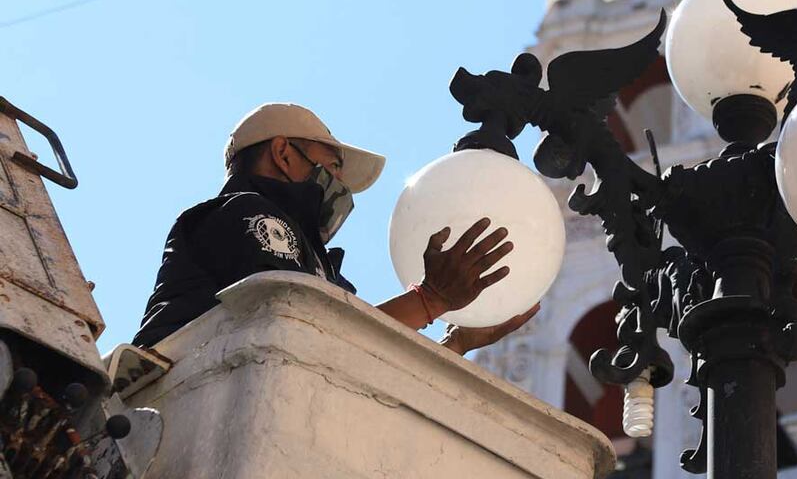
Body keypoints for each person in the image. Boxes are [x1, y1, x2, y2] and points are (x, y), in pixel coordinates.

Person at [133, 102, 537, 355]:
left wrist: (457, 342)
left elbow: (351, 365)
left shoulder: (314, 264)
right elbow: (306, 331)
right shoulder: (247, 215)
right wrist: (430, 300)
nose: (337, 183)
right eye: (332, 164)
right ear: (282, 153)